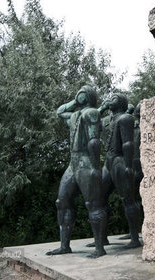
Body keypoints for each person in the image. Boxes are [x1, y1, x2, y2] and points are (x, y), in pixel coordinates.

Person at [46, 85, 107, 258]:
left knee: (93, 204)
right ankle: (64, 245)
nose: (79, 94)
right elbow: (59, 112)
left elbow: (94, 141)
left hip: (86, 161)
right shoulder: (74, 116)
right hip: (73, 162)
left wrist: (95, 166)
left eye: (83, 92)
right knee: (62, 201)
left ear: (89, 96)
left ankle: (99, 248)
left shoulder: (92, 113)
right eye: (79, 92)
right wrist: (74, 100)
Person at [101, 93, 142, 248]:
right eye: (109, 98)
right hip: (108, 162)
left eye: (114, 98)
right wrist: (102, 108)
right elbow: (90, 123)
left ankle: (134, 238)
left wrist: (128, 165)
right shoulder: (105, 121)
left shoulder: (125, 118)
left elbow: (128, 144)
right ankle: (101, 238)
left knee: (128, 199)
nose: (110, 99)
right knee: (99, 198)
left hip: (120, 160)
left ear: (122, 103)